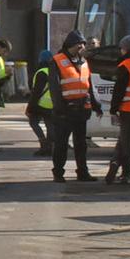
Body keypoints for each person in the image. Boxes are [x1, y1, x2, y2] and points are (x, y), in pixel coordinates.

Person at [50, 30, 103, 183]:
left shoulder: (84, 62)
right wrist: (59, 109)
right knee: (61, 145)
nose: (82, 47)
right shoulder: (57, 60)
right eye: (80, 44)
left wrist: (96, 105)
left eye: (83, 44)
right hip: (65, 112)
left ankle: (82, 172)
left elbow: (89, 85)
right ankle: (58, 173)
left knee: (81, 145)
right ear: (71, 45)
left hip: (81, 111)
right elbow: (55, 88)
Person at [106, 35, 130, 185]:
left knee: (126, 143)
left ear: (125, 49)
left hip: (127, 109)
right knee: (123, 140)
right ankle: (115, 162)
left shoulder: (124, 66)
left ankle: (127, 173)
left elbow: (118, 91)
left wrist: (113, 109)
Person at [26, 50, 55, 156]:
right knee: (50, 125)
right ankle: (50, 147)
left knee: (33, 122)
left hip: (41, 104)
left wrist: (30, 107)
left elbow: (36, 92)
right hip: (53, 104)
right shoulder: (55, 71)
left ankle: (44, 144)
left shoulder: (41, 72)